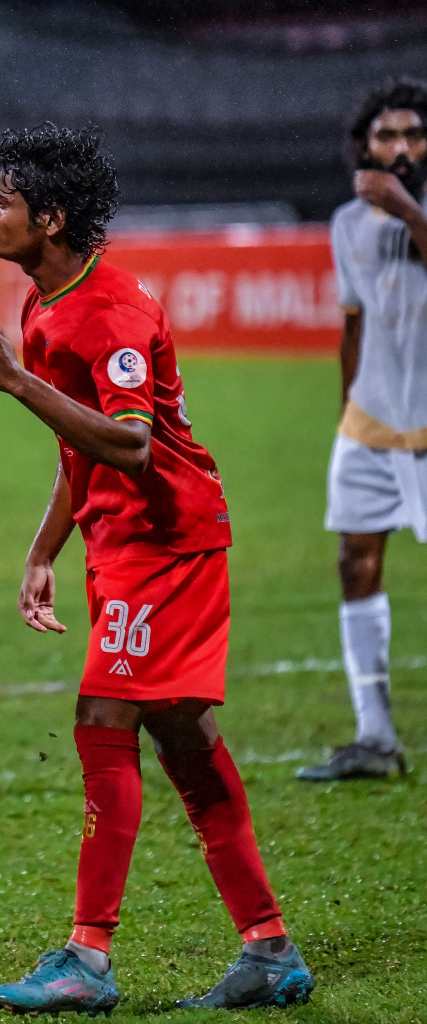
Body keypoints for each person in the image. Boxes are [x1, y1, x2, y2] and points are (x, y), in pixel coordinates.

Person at [0, 123, 314, 1015]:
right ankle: (269, 948)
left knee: (102, 719)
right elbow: (76, 445)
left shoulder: (109, 310)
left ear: (51, 216)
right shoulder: (45, 303)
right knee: (185, 744)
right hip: (124, 543)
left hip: (169, 542)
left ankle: (88, 956)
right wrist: (46, 547)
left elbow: (129, 442)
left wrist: (13, 383)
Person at [297, 79, 427, 782]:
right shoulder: (348, 222)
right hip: (371, 424)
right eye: (386, 136)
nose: (400, 147)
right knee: (354, 563)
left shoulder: (409, 208)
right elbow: (353, 323)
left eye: (413, 134)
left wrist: (407, 212)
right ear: (365, 146)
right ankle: (374, 735)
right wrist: (347, 407)